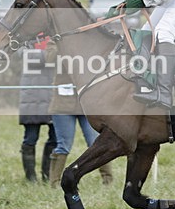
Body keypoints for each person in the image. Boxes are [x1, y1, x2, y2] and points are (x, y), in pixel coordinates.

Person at [46, 40, 112, 188]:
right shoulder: (55, 41)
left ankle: (108, 181)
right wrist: (65, 45)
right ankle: (55, 184)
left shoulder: (88, 39)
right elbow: (50, 59)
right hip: (62, 105)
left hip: (87, 104)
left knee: (96, 143)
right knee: (63, 145)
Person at [17, 33, 56, 183]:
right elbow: (25, 55)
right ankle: (30, 177)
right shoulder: (25, 36)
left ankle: (47, 175)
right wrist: (50, 55)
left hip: (53, 94)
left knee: (55, 137)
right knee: (31, 137)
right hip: (31, 96)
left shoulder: (55, 35)